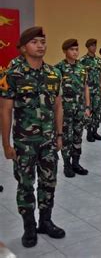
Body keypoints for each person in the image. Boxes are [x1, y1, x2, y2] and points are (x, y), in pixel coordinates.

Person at [0, 27, 66, 248]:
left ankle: (45, 222)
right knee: (26, 185)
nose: (40, 45)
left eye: (43, 41)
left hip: (48, 141)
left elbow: (58, 106)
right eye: (35, 42)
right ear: (24, 47)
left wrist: (59, 135)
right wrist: (6, 144)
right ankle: (29, 227)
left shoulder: (53, 73)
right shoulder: (13, 74)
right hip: (24, 142)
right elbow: (5, 110)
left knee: (49, 183)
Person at [55, 39, 91, 177]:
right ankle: (67, 164)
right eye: (72, 49)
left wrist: (87, 106)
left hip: (79, 109)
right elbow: (56, 93)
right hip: (65, 110)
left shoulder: (82, 68)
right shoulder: (58, 69)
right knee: (66, 138)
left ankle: (76, 163)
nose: (75, 52)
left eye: (77, 49)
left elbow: (86, 87)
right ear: (65, 51)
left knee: (77, 136)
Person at [79, 38, 101, 142]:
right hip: (88, 90)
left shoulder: (98, 60)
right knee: (90, 111)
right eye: (92, 46)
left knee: (97, 111)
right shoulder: (83, 60)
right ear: (88, 47)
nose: (94, 48)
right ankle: (89, 132)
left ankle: (95, 131)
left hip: (97, 90)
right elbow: (81, 77)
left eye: (95, 45)